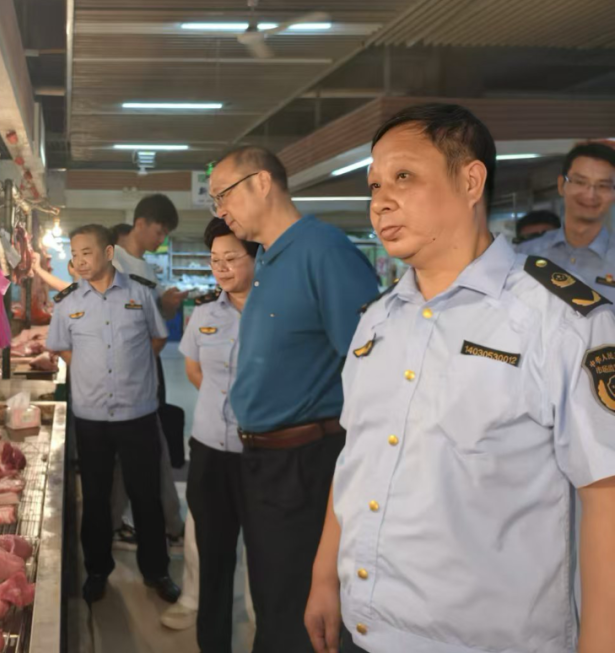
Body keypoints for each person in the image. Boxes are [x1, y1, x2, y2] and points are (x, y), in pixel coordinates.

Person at [304, 103, 615, 653]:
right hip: (367, 630)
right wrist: (325, 576)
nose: (381, 201)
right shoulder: (377, 322)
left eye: (404, 176)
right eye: (374, 185)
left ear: (471, 181)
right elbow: (357, 455)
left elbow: (606, 498)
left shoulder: (563, 322)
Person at [210, 146, 379, 653]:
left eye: (223, 195)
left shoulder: (323, 251)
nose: (220, 210)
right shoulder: (267, 257)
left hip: (304, 463)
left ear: (262, 183)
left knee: (296, 607)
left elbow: (370, 369)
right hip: (266, 461)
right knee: (272, 595)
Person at [45, 224, 181, 605]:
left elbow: (158, 338)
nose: (79, 261)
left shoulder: (139, 293)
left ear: (108, 253)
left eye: (86, 253)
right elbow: (61, 346)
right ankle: (97, 570)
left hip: (137, 413)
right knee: (96, 497)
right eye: (75, 254)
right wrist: (91, 371)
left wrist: (131, 368)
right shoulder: (68, 302)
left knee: (146, 496)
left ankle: (156, 571)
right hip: (92, 417)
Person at [162, 217, 257, 647]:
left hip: (261, 450)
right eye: (215, 260)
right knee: (206, 540)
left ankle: (260, 615)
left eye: (231, 258)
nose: (221, 267)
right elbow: (195, 371)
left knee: (262, 542)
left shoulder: (277, 313)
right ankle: (203, 617)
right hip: (209, 445)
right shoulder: (203, 312)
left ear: (256, 257)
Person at [110, 195, 185, 548]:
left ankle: (122, 521)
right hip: (124, 371)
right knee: (148, 447)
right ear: (140, 223)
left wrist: (167, 307)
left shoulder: (148, 269)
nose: (162, 239)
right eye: (159, 230)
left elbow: (154, 319)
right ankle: (170, 524)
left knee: (139, 449)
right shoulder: (113, 261)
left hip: (146, 368)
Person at [517, 142, 615, 286]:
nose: (590, 195)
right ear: (561, 185)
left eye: (603, 185)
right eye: (580, 182)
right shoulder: (525, 254)